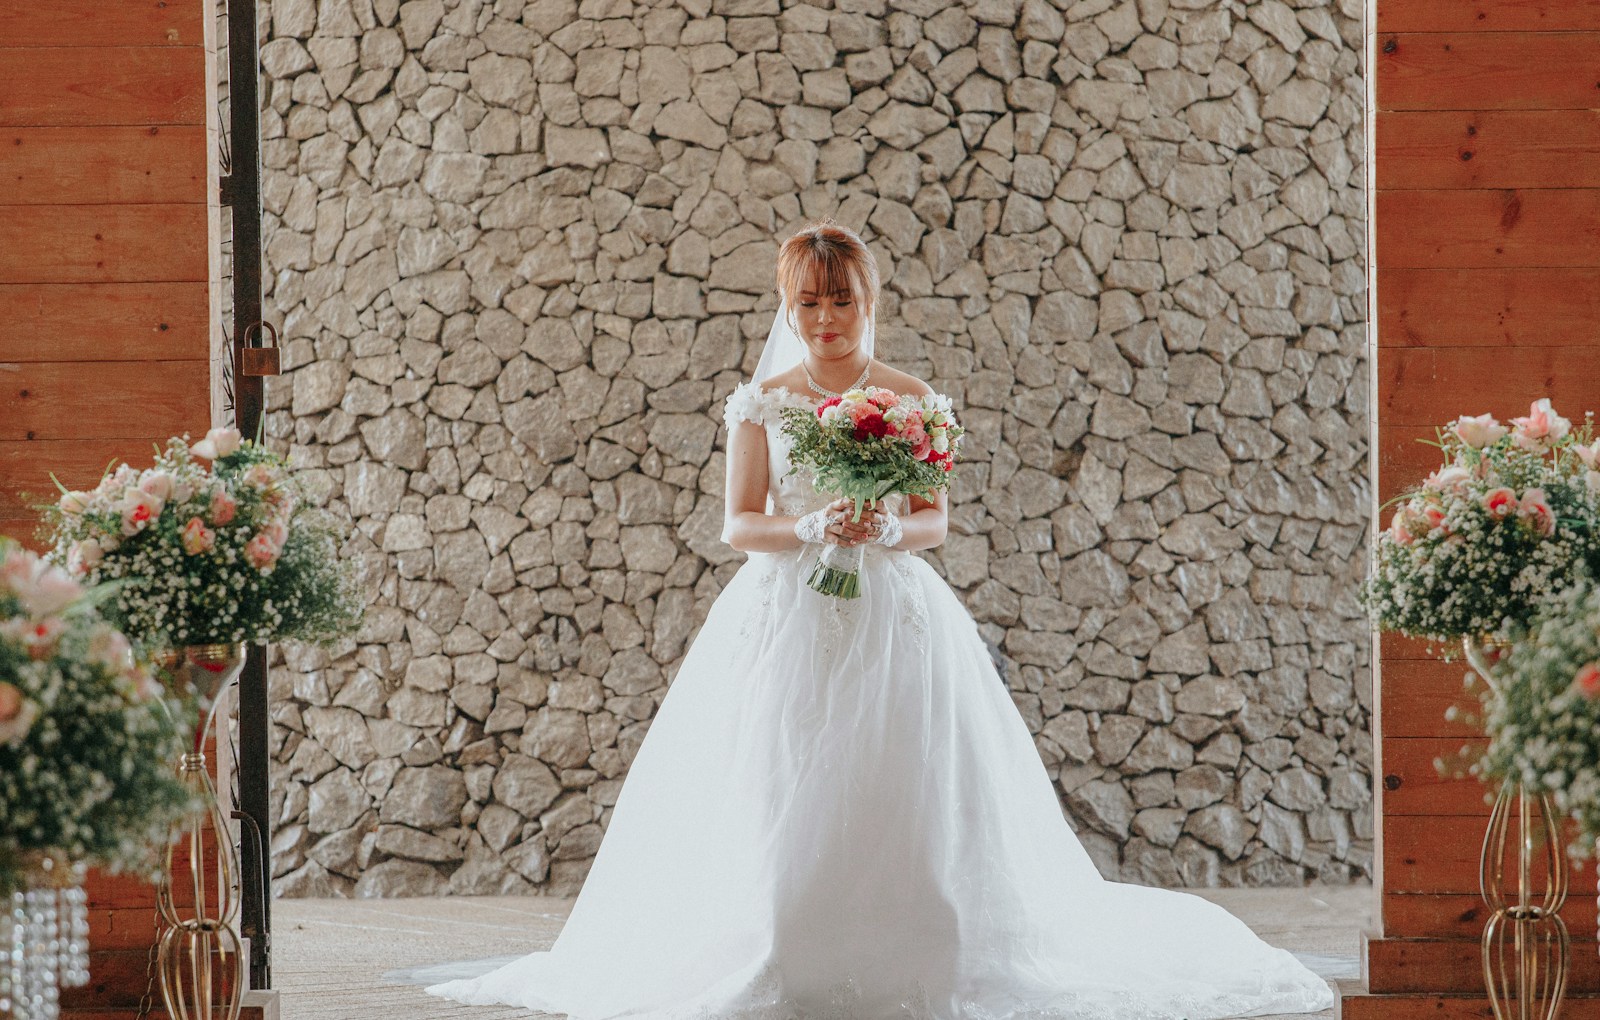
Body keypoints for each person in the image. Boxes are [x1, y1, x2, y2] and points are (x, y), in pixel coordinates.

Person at [427, 221, 1335, 1018]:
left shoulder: (911, 397)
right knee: (780, 775)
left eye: (843, 302)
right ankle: (784, 945)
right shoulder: (763, 400)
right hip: (787, 608)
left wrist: (890, 524)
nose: (827, 320)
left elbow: (936, 517)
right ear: (789, 305)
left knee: (902, 777)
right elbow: (738, 521)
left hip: (893, 609)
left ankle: (914, 945)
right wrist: (813, 525)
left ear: (869, 300)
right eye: (811, 303)